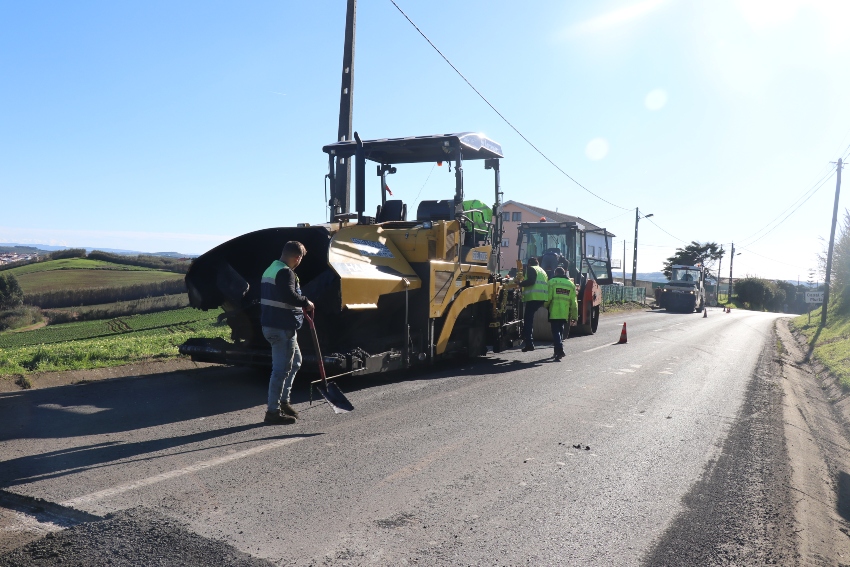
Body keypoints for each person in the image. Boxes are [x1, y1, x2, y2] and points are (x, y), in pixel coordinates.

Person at [260, 241, 315, 425]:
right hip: (282, 328)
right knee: (280, 370)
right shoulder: (285, 272)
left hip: (273, 325)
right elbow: (289, 296)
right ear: (297, 257)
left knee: (296, 361)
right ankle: (273, 412)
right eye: (301, 259)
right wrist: (306, 302)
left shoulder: (271, 269)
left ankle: (284, 401)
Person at [544, 266, 578, 361]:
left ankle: (560, 350)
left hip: (554, 312)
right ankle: (557, 352)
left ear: (556, 273)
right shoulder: (571, 284)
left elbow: (548, 298)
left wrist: (545, 306)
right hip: (564, 313)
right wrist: (574, 316)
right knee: (560, 331)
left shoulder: (551, 282)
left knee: (555, 332)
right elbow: (574, 303)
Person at [519, 257, 548, 352]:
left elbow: (531, 281)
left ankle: (529, 343)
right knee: (529, 319)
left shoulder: (531, 269)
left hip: (533, 297)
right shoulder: (542, 271)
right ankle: (526, 337)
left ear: (529, 264)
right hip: (542, 298)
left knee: (528, 320)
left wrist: (520, 283)